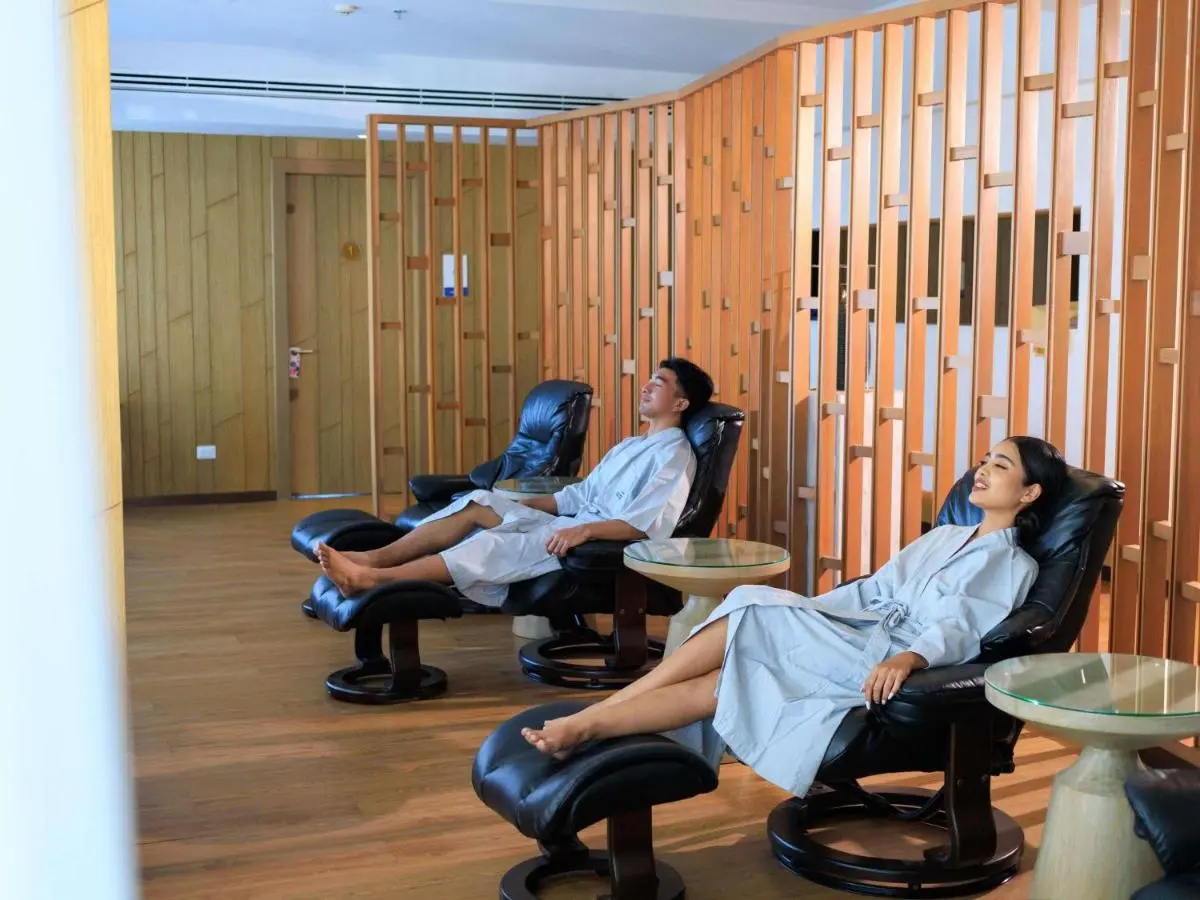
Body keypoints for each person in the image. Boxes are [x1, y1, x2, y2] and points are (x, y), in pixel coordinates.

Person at [521, 436, 1067, 800]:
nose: (983, 470)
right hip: (857, 626)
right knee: (724, 675)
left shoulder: (1010, 561)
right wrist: (814, 609)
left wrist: (909, 655)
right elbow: (876, 586)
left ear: (1029, 492)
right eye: (985, 459)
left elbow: (965, 626)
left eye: (1001, 466)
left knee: (749, 610)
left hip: (890, 658)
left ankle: (602, 711)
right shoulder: (946, 534)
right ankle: (589, 726)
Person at [315, 358, 714, 607]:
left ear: (680, 404)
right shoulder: (632, 444)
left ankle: (370, 580)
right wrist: (519, 505)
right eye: (649, 378)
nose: (646, 386)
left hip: (595, 538)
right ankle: (375, 557)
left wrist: (584, 530)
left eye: (659, 383)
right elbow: (582, 493)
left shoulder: (674, 456)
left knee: (488, 543)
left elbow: (645, 524)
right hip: (570, 520)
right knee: (479, 502)